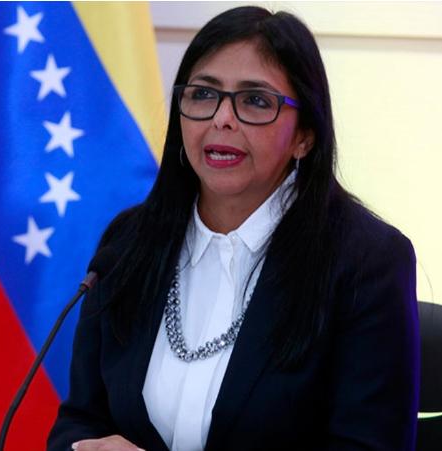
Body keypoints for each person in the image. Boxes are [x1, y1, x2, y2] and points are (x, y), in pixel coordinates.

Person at [47, 6, 419, 451]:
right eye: (203, 95)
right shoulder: (128, 241)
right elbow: (80, 420)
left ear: (304, 136)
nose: (222, 118)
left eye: (255, 101)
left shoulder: (366, 262)